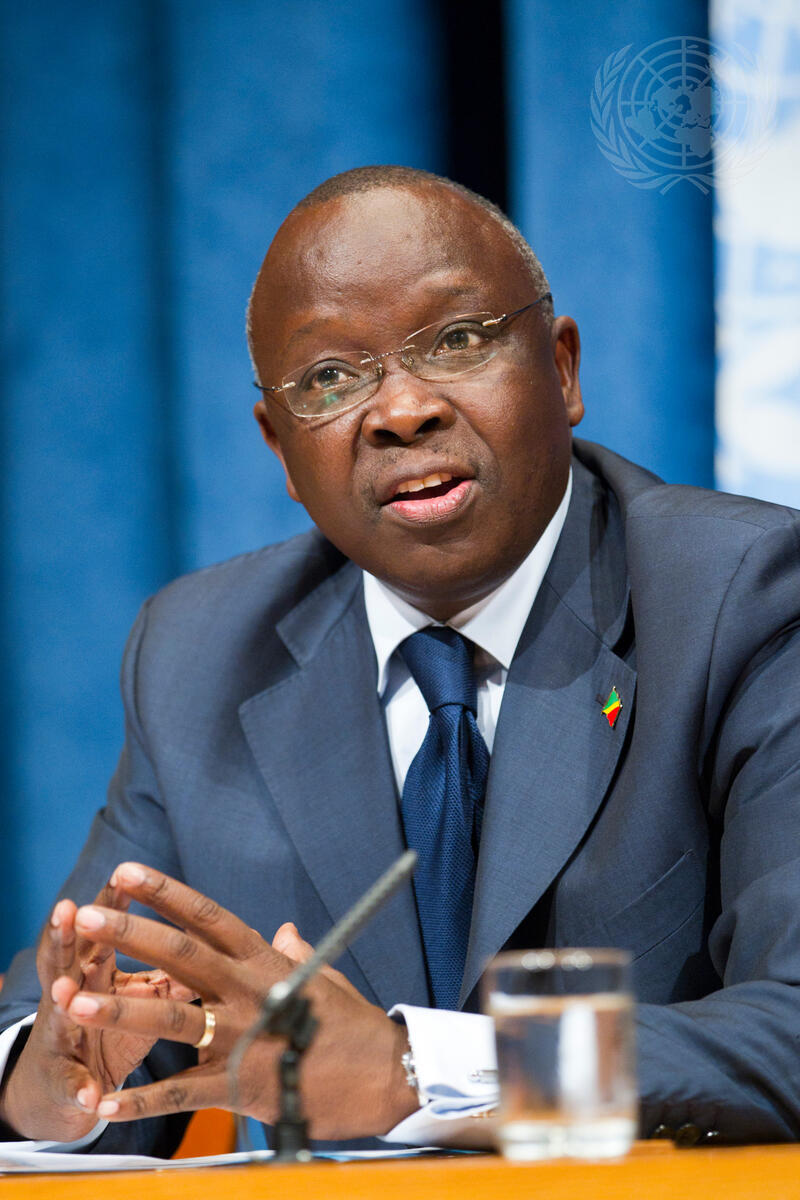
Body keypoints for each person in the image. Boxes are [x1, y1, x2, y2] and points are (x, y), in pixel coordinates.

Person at [1, 165, 799, 1156]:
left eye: (458, 339)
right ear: (281, 451)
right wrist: (55, 1080)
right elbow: (72, 1030)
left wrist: (412, 1072)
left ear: (561, 370)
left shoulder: (744, 598)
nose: (402, 410)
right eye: (330, 380)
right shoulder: (200, 654)